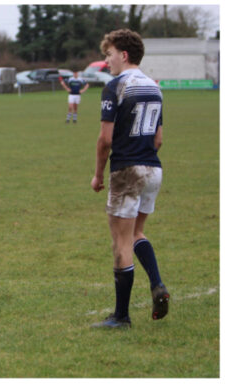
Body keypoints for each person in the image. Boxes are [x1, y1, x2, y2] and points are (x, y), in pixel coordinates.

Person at [91, 29, 168, 329]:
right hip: (153, 169)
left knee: (120, 242)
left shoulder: (115, 87)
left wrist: (98, 174)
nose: (106, 60)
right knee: (137, 233)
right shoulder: (155, 88)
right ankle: (157, 283)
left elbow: (104, 140)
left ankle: (121, 317)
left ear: (123, 55)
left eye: (109, 54)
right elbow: (159, 139)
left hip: (126, 170)